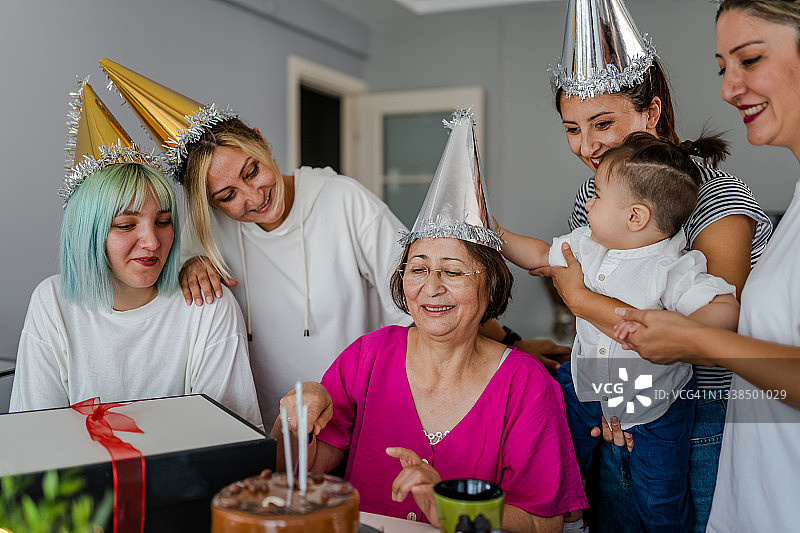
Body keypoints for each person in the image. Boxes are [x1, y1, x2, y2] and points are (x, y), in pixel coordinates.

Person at [98, 60, 568, 426]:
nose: (252, 196)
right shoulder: (206, 233)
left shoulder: (341, 199)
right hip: (264, 424)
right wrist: (189, 264)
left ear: (262, 143)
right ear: (210, 204)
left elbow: (423, 296)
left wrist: (512, 343)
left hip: (355, 412)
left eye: (251, 172)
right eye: (227, 196)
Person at [271, 111, 588, 532]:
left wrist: (451, 507)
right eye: (418, 269)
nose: (431, 286)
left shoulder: (526, 385)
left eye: (453, 272)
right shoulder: (366, 357)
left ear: (491, 288)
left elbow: (542, 524)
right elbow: (302, 473)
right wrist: (296, 421)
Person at [535, 1, 773, 531]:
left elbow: (708, 337)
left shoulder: (716, 199)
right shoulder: (593, 198)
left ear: (651, 112)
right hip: (620, 407)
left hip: (698, 418)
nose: (586, 146)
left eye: (602, 123)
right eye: (571, 128)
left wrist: (580, 301)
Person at [613, 2, 800, 531]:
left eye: (750, 59)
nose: (728, 88)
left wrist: (695, 341)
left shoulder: (721, 205)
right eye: (723, 67)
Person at [501, 132, 740, 532]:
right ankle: (566, 516)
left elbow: (724, 310)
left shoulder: (674, 268)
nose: (587, 204)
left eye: (596, 196)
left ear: (635, 216)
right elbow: (541, 257)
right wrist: (494, 233)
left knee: (659, 495)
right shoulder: (587, 244)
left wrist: (682, 330)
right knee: (556, 450)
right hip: (587, 386)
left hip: (655, 408)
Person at [10, 81, 261, 427]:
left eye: (163, 221)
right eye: (126, 226)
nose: (153, 242)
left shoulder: (209, 307)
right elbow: (34, 436)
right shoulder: (52, 302)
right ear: (88, 234)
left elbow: (232, 440)